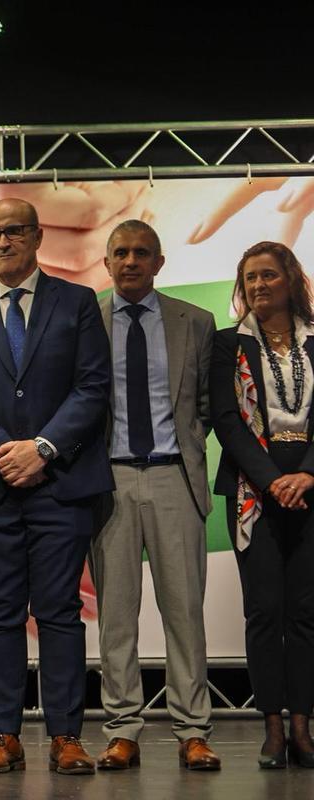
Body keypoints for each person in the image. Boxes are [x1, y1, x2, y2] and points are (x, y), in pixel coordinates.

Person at [0, 198, 112, 775]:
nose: (3, 241)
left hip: (60, 483)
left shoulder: (77, 302)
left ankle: (66, 736)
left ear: (37, 237)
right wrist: (3, 451)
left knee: (59, 610)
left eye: (14, 231)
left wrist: (42, 448)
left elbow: (92, 387)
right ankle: (3, 735)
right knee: (1, 611)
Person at [89, 221, 220, 771]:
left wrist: (182, 448)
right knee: (116, 615)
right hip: (109, 480)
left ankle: (193, 730)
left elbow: (208, 404)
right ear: (107, 263)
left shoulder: (196, 321)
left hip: (174, 477)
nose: (131, 261)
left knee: (184, 612)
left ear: (159, 262)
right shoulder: (86, 321)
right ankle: (123, 729)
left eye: (141, 253)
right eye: (120, 253)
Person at [210, 240, 314, 769]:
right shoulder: (227, 344)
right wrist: (274, 480)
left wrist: (308, 473)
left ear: (290, 280)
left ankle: (303, 727)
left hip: (312, 487)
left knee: (306, 613)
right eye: (250, 277)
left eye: (268, 275)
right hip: (254, 491)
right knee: (264, 611)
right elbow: (226, 421)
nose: (258, 285)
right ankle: (272, 727)